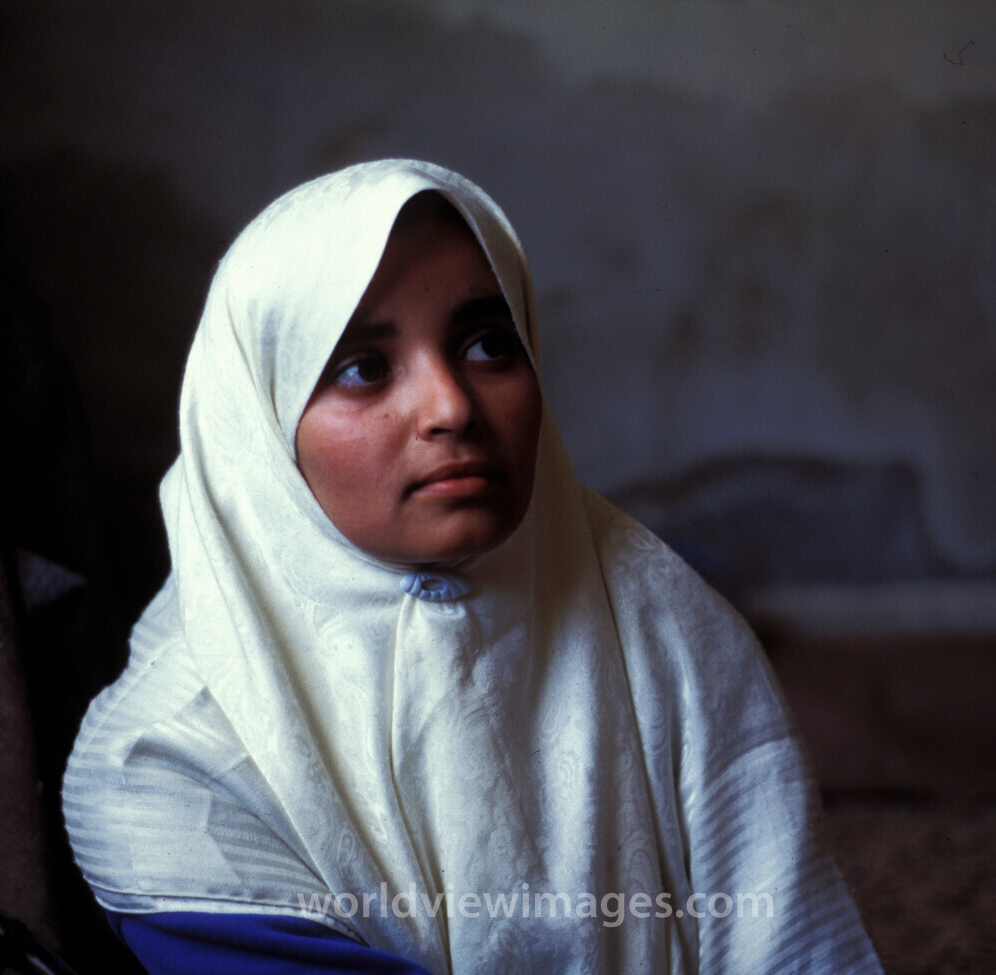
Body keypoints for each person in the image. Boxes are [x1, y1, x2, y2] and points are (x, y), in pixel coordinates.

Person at [62, 159, 881, 974]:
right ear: (261, 423)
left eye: (490, 344)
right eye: (362, 367)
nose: (452, 407)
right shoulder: (169, 757)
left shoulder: (661, 617)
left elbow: (788, 939)